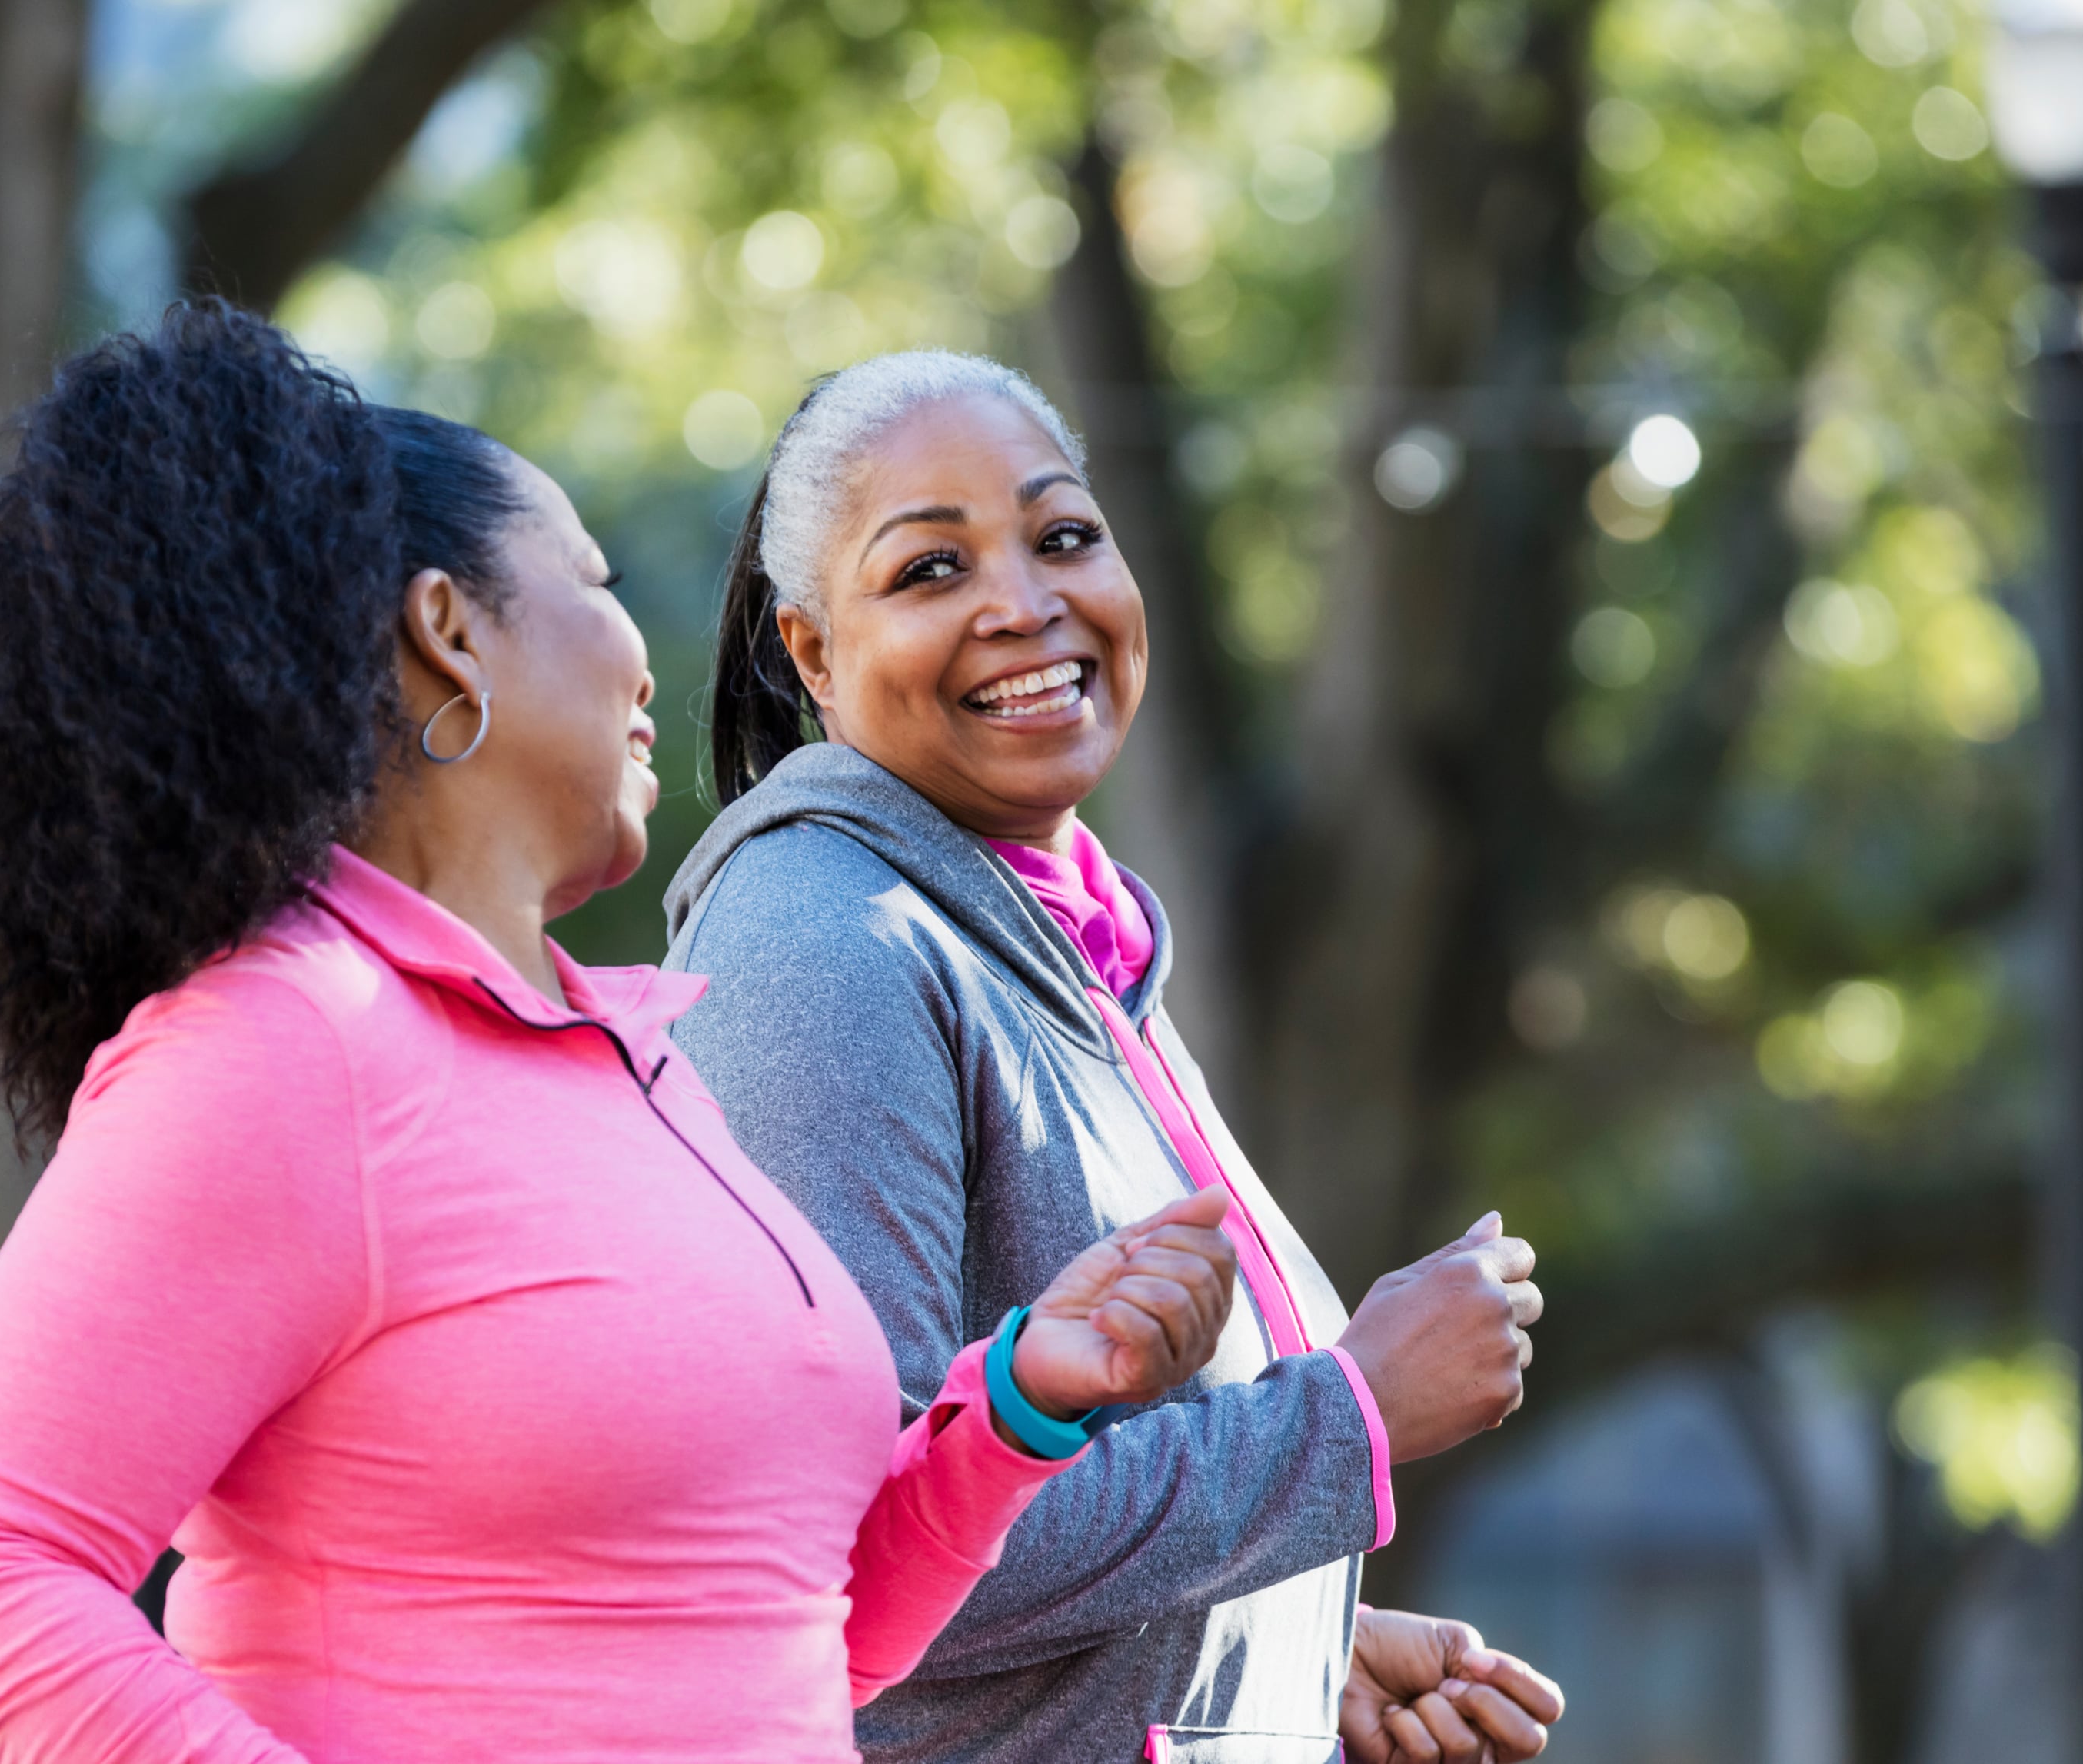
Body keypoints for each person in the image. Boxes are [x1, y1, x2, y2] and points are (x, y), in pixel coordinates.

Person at [0, 305, 1246, 1764]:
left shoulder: (631, 1062)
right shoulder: (286, 1040)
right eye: (591, 580)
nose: (649, 663)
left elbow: (800, 1631)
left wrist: (1020, 1401)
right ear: (448, 632)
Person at [664, 351, 1568, 1764]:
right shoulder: (827, 939)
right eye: (929, 571)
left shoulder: (1060, 932)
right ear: (813, 652)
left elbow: (1057, 1519)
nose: (1025, 604)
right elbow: (849, 1550)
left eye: (1063, 534)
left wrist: (1279, 1650)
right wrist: (1350, 1417)